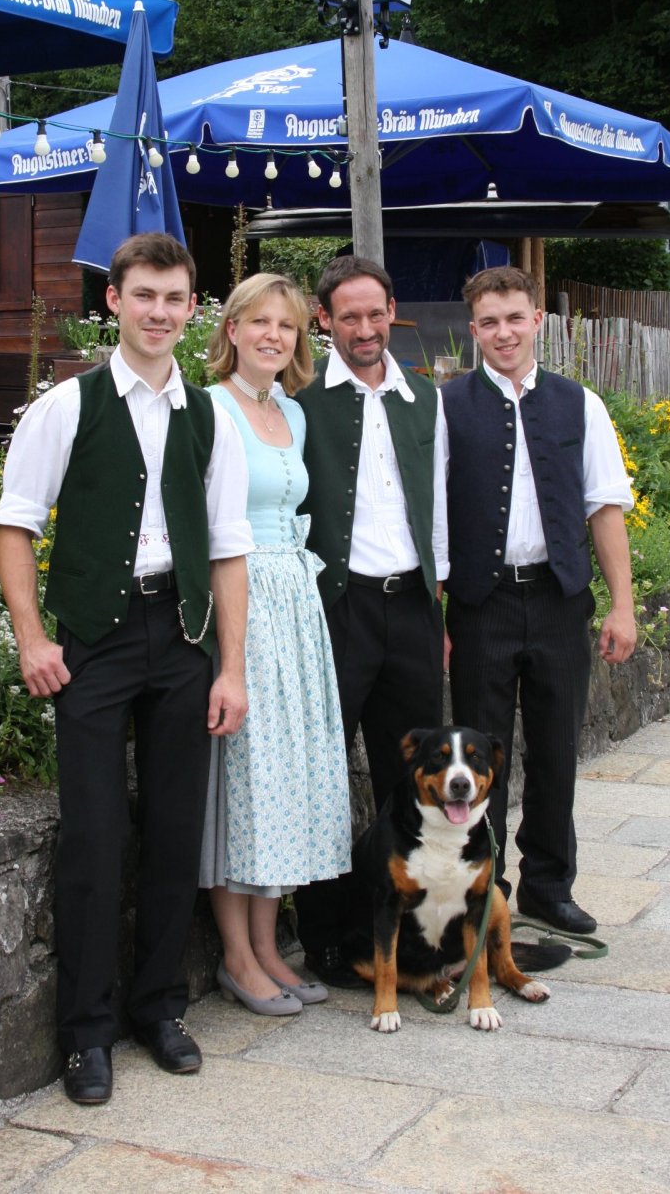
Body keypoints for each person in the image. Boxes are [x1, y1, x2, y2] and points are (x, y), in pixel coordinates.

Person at [0, 233, 252, 1106]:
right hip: (93, 645)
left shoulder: (211, 414)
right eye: (144, 296)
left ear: (192, 308)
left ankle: (160, 1009)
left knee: (176, 832)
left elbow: (228, 551)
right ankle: (87, 1035)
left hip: (182, 642)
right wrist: (34, 640)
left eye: (175, 299)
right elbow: (15, 525)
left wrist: (231, 669)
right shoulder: (66, 407)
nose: (159, 313)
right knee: (95, 842)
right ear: (114, 300)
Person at [442, 265, 636, 936]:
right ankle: (484, 889)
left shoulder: (579, 403)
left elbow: (604, 508)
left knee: (556, 751)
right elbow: (431, 515)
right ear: (473, 331)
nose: (503, 332)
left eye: (514, 318)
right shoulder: (446, 406)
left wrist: (623, 605)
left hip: (559, 601)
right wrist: (439, 605)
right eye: (489, 322)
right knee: (480, 758)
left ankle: (548, 887)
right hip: (480, 604)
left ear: (537, 321)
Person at [294, 255, 449, 986]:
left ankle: (417, 931)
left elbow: (436, 503)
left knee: (411, 776)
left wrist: (438, 600)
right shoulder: (300, 403)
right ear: (324, 320)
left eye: (375, 313)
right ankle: (325, 935)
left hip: (412, 604)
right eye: (348, 315)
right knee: (326, 777)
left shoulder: (424, 400)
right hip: (338, 606)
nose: (364, 328)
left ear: (394, 313)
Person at [199, 273, 352, 1015]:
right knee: (246, 783)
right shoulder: (212, 409)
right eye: (257, 321)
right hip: (245, 604)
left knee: (284, 782)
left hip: (296, 604)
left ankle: (268, 946)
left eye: (286, 326)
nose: (272, 336)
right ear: (230, 329)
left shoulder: (290, 410)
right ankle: (236, 954)